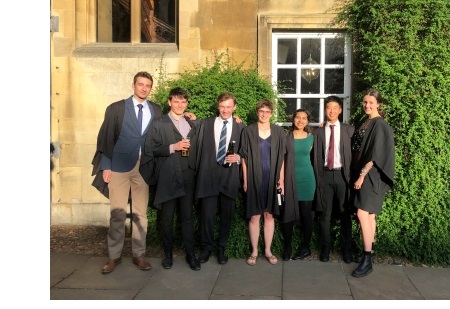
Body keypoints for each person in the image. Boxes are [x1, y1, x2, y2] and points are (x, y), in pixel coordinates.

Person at [91, 71, 162, 274]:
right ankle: (114, 256)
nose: (144, 88)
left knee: (141, 214)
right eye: (140, 84)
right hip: (119, 167)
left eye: (148, 85)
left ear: (151, 87)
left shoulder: (156, 110)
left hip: (144, 168)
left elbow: (166, 130)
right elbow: (105, 137)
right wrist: (106, 165)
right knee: (117, 213)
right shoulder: (117, 108)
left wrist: (188, 118)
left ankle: (139, 254)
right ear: (133, 86)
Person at [149, 87, 201, 271]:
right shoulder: (158, 123)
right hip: (168, 175)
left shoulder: (192, 122)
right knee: (167, 218)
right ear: (169, 102)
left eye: (183, 102)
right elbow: (152, 149)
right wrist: (173, 146)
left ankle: (190, 255)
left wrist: (236, 120)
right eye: (176, 101)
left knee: (187, 217)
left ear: (186, 104)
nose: (180, 105)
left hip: (188, 176)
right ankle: (168, 255)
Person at [195, 92, 245, 265]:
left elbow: (245, 151)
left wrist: (238, 157)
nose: (225, 110)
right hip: (208, 175)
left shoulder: (241, 127)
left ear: (234, 107)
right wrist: (188, 116)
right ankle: (206, 248)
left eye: (229, 107)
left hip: (229, 176)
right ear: (218, 106)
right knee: (207, 215)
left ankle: (221, 248)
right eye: (222, 106)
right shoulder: (205, 123)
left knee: (227, 216)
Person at [350, 89, 395, 278]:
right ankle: (369, 251)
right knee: (369, 215)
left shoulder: (380, 125)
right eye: (365, 102)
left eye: (371, 102)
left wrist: (361, 176)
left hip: (372, 174)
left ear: (378, 104)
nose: (367, 105)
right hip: (363, 171)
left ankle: (367, 260)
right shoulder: (365, 121)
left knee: (362, 213)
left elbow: (375, 156)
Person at [239, 98, 286, 266]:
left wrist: (281, 179)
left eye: (267, 111)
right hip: (254, 178)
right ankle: (254, 251)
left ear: (271, 113)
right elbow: (244, 157)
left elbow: (282, 158)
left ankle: (267, 250)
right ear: (257, 112)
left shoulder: (279, 132)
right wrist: (245, 178)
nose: (264, 114)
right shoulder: (248, 131)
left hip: (272, 178)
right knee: (254, 216)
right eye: (261, 111)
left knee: (269, 215)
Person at [313, 95, 354, 264]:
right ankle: (325, 249)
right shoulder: (318, 131)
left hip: (343, 176)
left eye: (335, 108)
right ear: (325, 110)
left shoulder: (349, 130)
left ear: (340, 110)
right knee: (325, 214)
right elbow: (315, 156)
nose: (331, 111)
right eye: (328, 107)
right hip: (325, 175)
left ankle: (347, 250)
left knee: (345, 214)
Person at [282, 109, 316, 261]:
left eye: (304, 118)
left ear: (308, 121)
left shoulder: (312, 138)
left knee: (306, 214)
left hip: (307, 180)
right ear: (293, 118)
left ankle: (305, 247)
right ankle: (287, 247)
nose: (300, 121)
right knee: (288, 214)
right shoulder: (285, 137)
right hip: (289, 179)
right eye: (298, 117)